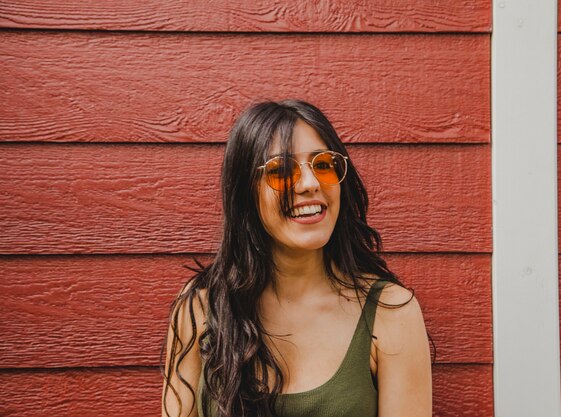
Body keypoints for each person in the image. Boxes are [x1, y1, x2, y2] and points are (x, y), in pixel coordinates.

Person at [161, 99, 432, 417]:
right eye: (280, 171)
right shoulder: (202, 307)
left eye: (323, 164)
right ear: (246, 193)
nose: (310, 184)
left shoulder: (391, 314)